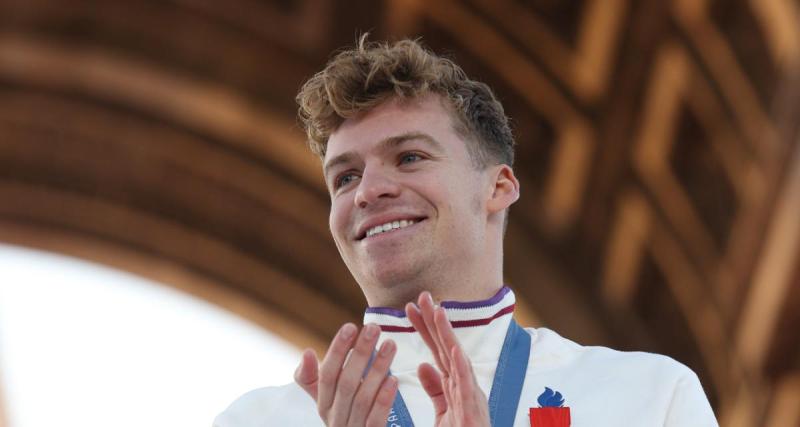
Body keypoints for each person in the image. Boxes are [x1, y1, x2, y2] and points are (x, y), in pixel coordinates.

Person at [214, 37, 718, 427]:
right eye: (345, 177)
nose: (367, 192)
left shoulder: (650, 397)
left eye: (409, 157)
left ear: (498, 187)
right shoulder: (261, 420)